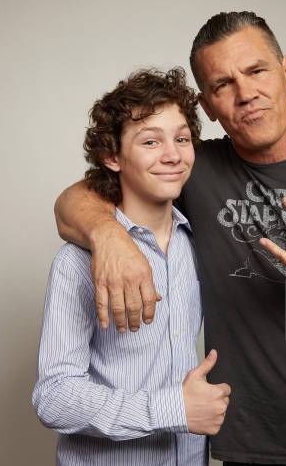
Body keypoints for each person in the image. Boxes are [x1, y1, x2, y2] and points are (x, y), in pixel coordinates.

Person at [54, 12, 286, 466]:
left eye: (257, 71)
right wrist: (108, 236)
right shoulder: (191, 168)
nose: (246, 94)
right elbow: (77, 197)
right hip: (255, 450)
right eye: (222, 85)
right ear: (208, 106)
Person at [32, 68, 231, 466]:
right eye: (151, 141)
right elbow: (53, 397)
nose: (172, 155)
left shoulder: (199, 245)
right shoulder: (80, 260)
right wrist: (172, 408)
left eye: (181, 139)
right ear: (112, 156)